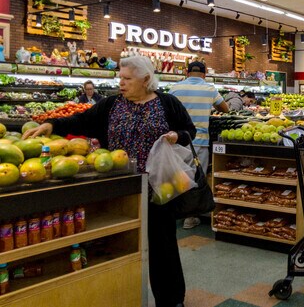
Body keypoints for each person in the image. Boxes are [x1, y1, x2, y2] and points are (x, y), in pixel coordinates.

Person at [23, 56, 195, 307]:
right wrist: (51, 124)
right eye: (120, 78)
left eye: (127, 79)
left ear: (146, 80)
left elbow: (190, 130)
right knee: (119, 242)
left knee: (163, 245)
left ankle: (171, 299)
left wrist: (175, 135)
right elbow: (80, 120)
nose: (121, 83)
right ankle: (123, 296)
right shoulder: (111, 104)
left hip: (158, 186)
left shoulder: (167, 103)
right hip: (120, 186)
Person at [169, 61, 228, 230]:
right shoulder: (209, 89)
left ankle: (175, 211)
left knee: (179, 176)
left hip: (178, 140)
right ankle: (190, 217)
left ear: (187, 73)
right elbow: (225, 109)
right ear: (204, 75)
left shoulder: (174, 88)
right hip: (199, 141)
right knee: (195, 178)